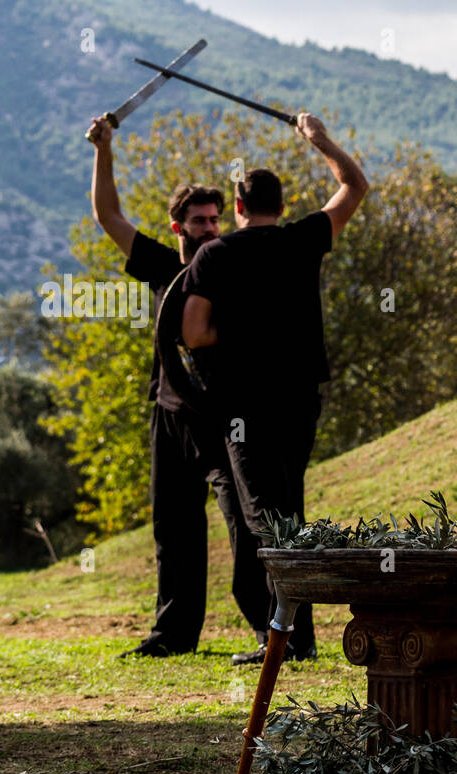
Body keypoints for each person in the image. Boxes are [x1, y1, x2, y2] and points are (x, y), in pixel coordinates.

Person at [182, 110, 369, 665]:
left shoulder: (215, 254)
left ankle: (287, 640)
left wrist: (232, 338)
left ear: (237, 208)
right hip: (299, 400)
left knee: (266, 517)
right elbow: (355, 186)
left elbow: (193, 332)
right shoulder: (306, 239)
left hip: (243, 405)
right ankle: (295, 637)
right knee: (289, 507)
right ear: (283, 207)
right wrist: (319, 139)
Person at [85, 115, 274, 659]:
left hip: (222, 415)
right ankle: (173, 635)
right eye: (199, 221)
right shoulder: (165, 266)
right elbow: (107, 215)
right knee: (174, 525)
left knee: (244, 523)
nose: (210, 228)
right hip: (169, 412)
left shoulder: (237, 268)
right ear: (178, 227)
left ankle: (270, 631)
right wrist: (104, 150)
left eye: (216, 219)